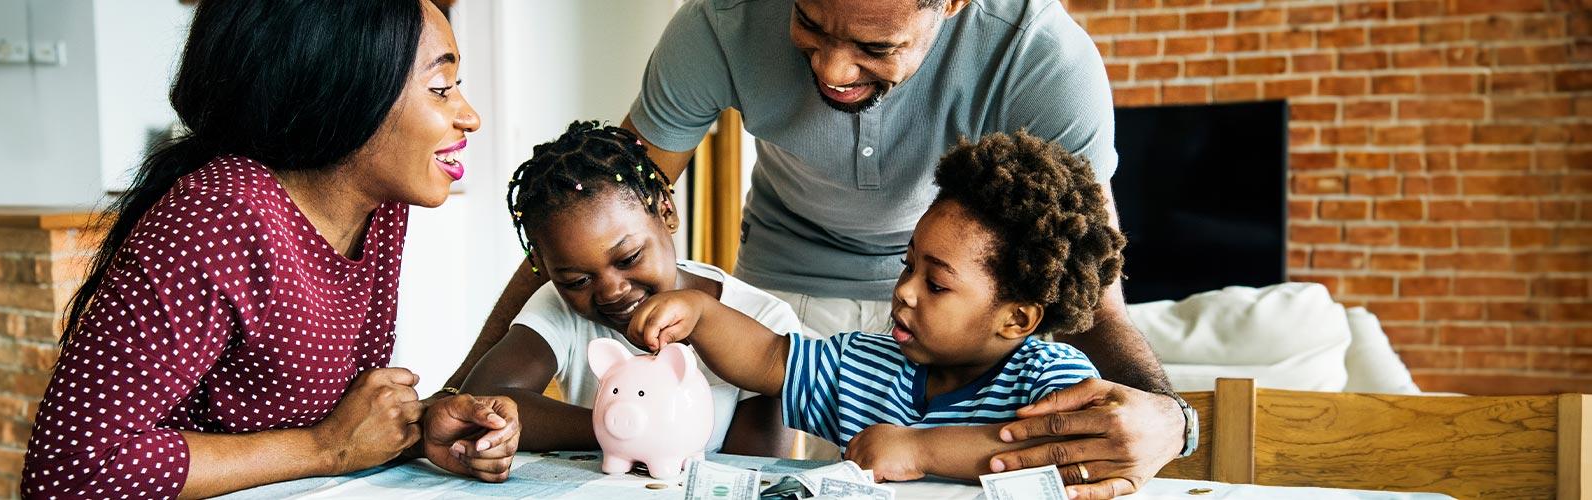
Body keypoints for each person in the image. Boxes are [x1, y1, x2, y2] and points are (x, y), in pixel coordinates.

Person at [445, 1, 1194, 498]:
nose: (832, 71)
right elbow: (598, 206)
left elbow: (1086, 295)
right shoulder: (723, 22)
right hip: (785, 286)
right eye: (809, 22)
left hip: (967, 285)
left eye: (875, 45)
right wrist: (455, 401)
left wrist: (1171, 416)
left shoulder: (1042, 60)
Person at [20, 1, 519, 498]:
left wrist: (418, 427)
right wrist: (325, 449)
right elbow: (69, 473)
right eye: (440, 89)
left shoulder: (378, 208)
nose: (469, 117)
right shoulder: (220, 215)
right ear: (340, 90)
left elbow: (334, 423)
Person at [627, 131, 1118, 481]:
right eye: (908, 267)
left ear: (1016, 318)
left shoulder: (1050, 378)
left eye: (937, 284)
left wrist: (918, 450)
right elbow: (769, 358)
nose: (904, 290)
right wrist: (701, 313)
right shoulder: (867, 365)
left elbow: (1060, 450)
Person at [459, 122, 812, 456]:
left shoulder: (764, 320)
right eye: (577, 281)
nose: (611, 291)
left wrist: (631, 431)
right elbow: (481, 401)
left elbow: (750, 467)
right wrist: (616, 429)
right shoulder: (560, 305)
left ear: (666, 211)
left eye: (628, 258)